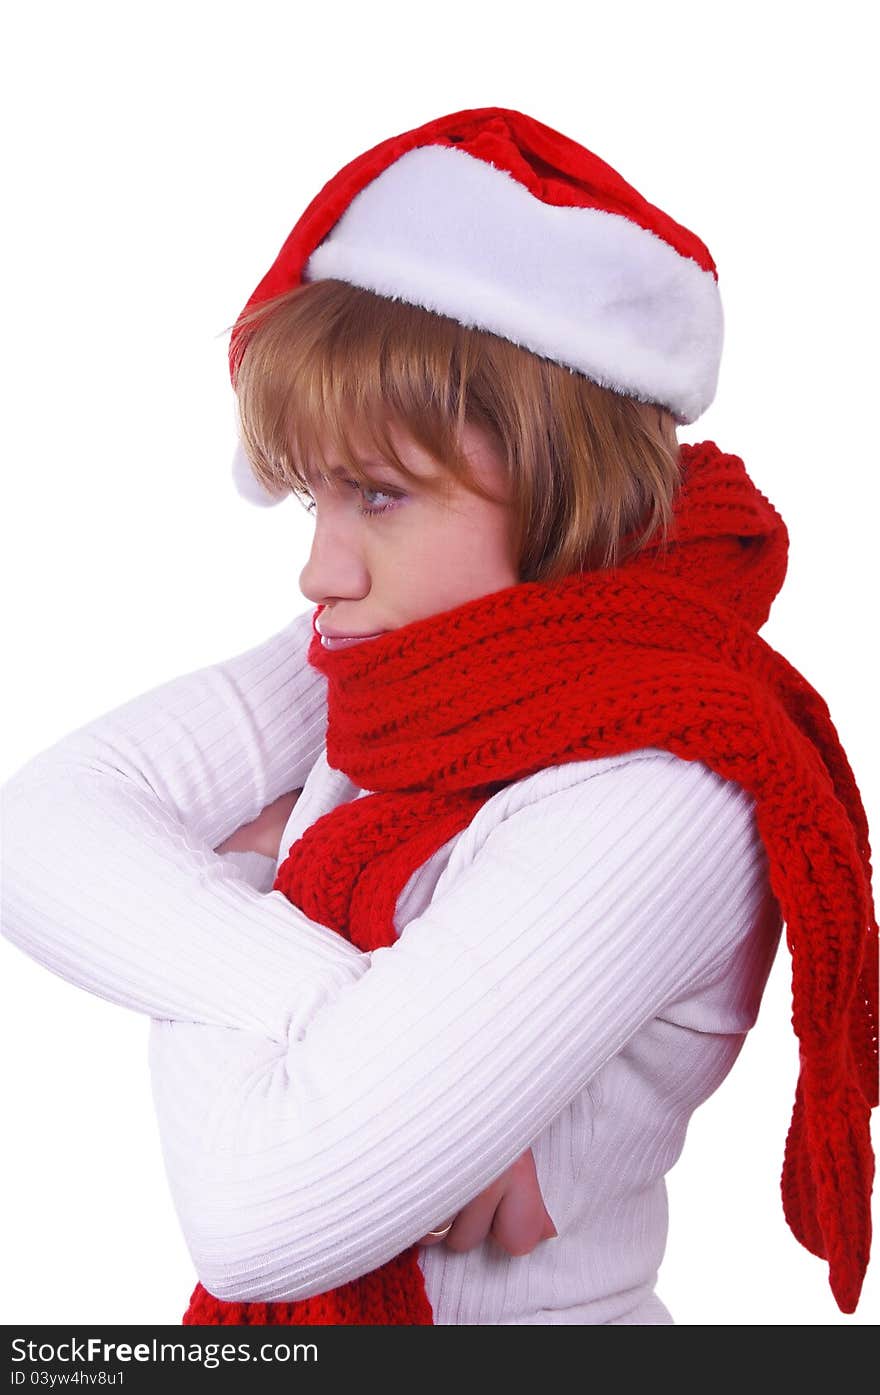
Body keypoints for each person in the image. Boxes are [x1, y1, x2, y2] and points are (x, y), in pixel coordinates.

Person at [1, 105, 875, 1326]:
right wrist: (348, 1018)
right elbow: (35, 829)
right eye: (315, 495)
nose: (321, 574)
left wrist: (236, 885)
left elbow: (259, 1221)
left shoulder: (669, 786)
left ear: (569, 483)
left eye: (379, 494)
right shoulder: (401, 656)